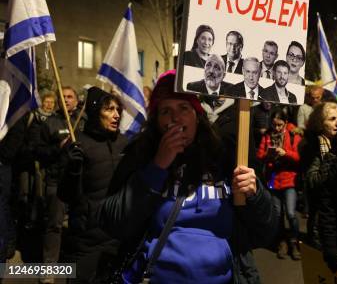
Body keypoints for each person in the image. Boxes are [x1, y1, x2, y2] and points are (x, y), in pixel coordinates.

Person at [97, 70, 278, 283]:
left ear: (197, 116)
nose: (175, 117)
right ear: (156, 120)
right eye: (166, 110)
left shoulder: (225, 155)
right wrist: (158, 166)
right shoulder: (140, 155)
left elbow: (267, 230)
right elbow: (113, 223)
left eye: (183, 108)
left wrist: (254, 195)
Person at [57, 87, 128, 283]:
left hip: (117, 238)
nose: (116, 115)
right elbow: (65, 195)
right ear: (96, 113)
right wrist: (72, 169)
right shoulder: (78, 144)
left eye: (117, 110)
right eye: (109, 109)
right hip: (86, 240)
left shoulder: (124, 143)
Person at [32, 86, 83, 275]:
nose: (67, 99)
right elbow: (38, 151)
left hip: (80, 183)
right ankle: (49, 268)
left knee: (80, 225)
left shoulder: (84, 122)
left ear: (76, 101)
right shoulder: (50, 123)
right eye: (63, 97)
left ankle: (77, 265)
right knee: (54, 225)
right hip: (57, 181)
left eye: (70, 96)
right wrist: (58, 148)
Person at [256, 109, 301, 260]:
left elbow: (299, 157)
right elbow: (260, 155)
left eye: (280, 125)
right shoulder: (267, 135)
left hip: (289, 179)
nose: (277, 128)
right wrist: (268, 155)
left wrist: (285, 153)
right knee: (277, 214)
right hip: (273, 179)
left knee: (291, 213)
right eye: (275, 125)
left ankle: (294, 241)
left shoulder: (293, 136)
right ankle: (282, 241)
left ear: (286, 123)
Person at [299, 102, 337, 248]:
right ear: (320, 122)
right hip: (320, 217)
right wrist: (331, 159)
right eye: (332, 119)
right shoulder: (312, 147)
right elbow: (313, 181)